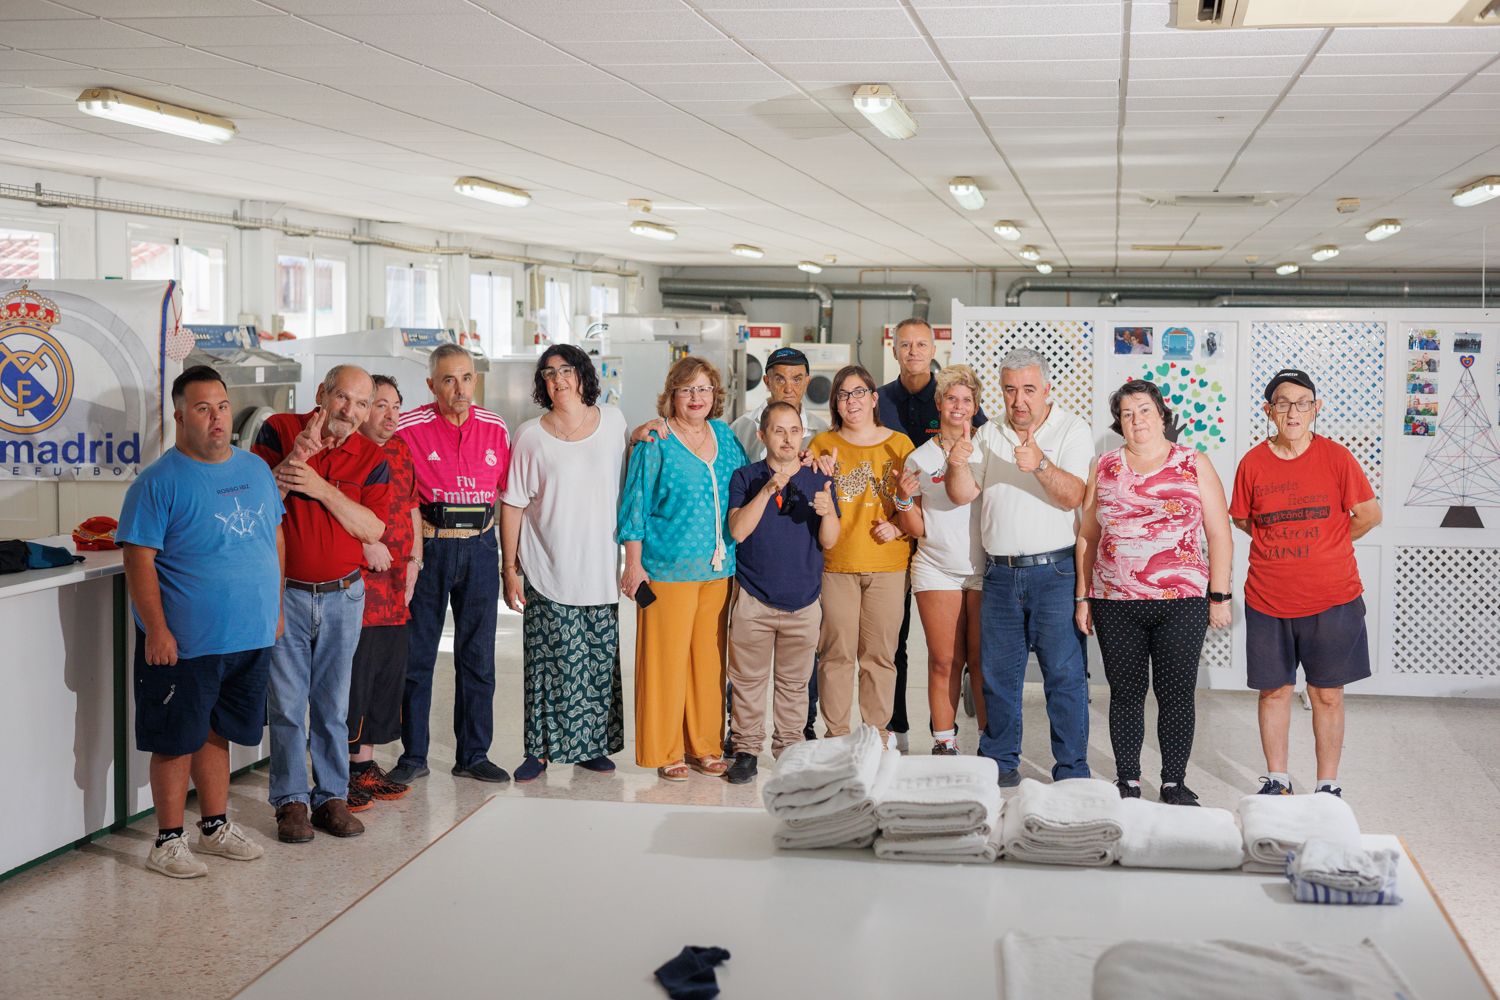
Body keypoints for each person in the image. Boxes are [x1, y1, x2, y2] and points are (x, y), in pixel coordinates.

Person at [117, 365, 283, 878]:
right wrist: (158, 630)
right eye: (203, 408)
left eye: (223, 406)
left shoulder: (255, 470)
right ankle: (167, 840)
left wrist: (275, 609)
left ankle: (213, 827)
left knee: (218, 732)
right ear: (180, 415)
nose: (216, 418)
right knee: (175, 738)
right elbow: (138, 561)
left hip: (248, 635)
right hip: (185, 642)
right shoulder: (157, 483)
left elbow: (274, 539)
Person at [1074, 379, 1234, 805]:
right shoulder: (1103, 466)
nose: (1136, 420)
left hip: (1181, 601)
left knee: (1176, 694)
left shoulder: (1192, 462)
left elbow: (1219, 533)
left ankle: (1172, 782)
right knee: (1125, 694)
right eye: (1127, 414)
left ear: (1161, 415)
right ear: (1119, 424)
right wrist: (1083, 596)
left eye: (1144, 410)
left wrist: (1219, 596)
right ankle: (1127, 780)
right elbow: (1087, 535)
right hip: (1115, 601)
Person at [253, 364, 390, 843]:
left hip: (343, 597)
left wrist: (319, 487)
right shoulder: (280, 429)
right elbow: (253, 504)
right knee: (288, 705)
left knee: (332, 705)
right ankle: (290, 801)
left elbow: (373, 529)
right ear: (321, 394)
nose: (349, 412)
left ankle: (331, 796)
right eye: (341, 399)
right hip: (285, 593)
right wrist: (295, 461)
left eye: (360, 403)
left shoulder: (372, 456)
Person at [945, 347, 1092, 786]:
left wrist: (1040, 464)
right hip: (1000, 573)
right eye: (1010, 390)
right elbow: (962, 493)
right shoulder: (989, 433)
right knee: (998, 677)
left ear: (1047, 389)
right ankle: (1000, 763)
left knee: (1064, 677)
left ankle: (1071, 770)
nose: (1019, 400)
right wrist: (955, 464)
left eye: (1029, 390)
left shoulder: (1072, 428)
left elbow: (1075, 496)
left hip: (1056, 573)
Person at [1230, 368, 1381, 798]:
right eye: (1283, 402)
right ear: (1268, 411)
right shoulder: (1252, 464)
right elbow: (1243, 519)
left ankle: (1327, 784)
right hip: (1267, 599)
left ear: (1316, 409)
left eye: (1302, 403)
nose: (1293, 411)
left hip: (1333, 599)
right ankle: (1277, 779)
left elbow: (1369, 515)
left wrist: (1329, 544)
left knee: (1327, 694)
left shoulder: (1337, 458)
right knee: (1274, 691)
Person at [501, 346, 627, 782]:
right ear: (542, 383)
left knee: (596, 662)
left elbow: (633, 479)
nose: (558, 379)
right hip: (547, 565)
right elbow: (513, 504)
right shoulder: (530, 434)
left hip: (600, 565)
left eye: (566, 370)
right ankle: (538, 751)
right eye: (549, 373)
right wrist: (509, 569)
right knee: (547, 667)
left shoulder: (614, 421)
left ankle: (589, 747)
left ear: (581, 375)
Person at [618, 356, 747, 780]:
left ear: (715, 395)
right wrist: (633, 565)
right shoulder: (655, 440)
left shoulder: (726, 437)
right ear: (671, 394)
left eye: (704, 389)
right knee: (665, 663)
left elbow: (748, 486)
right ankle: (666, 750)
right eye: (687, 389)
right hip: (665, 571)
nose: (697, 397)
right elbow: (634, 505)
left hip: (718, 570)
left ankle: (705, 746)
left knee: (708, 663)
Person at [392, 343, 511, 786]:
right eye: (448, 380)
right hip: (430, 548)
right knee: (418, 655)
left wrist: (510, 563)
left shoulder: (497, 427)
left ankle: (474, 753)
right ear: (431, 385)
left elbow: (508, 493)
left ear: (475, 380)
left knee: (478, 656)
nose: (458, 389)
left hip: (480, 548)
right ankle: (413, 754)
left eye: (465, 378)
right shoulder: (409, 427)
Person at [877, 319, 988, 752]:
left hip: (982, 567)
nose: (958, 407)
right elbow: (918, 528)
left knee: (980, 663)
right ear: (938, 404)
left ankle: (991, 744)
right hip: (936, 567)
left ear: (975, 405)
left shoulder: (989, 447)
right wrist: (903, 503)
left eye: (966, 400)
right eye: (950, 399)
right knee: (945, 659)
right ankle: (944, 740)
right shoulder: (918, 457)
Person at [723, 401, 842, 783]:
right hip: (754, 598)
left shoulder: (817, 478)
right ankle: (745, 748)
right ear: (762, 436)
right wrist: (770, 488)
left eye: (795, 431)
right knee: (747, 681)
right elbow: (738, 531)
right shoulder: (745, 477)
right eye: (778, 430)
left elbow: (831, 540)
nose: (788, 439)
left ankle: (789, 748)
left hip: (803, 602)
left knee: (793, 684)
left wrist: (828, 511)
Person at [809, 365, 915, 746]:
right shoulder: (821, 444)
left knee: (880, 657)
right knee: (835, 655)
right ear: (835, 402)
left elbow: (917, 506)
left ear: (874, 398)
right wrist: (816, 473)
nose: (850, 401)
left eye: (858, 393)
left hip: (888, 566)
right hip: (836, 565)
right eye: (842, 394)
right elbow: (808, 505)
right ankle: (837, 735)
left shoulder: (900, 445)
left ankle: (877, 736)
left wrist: (900, 527)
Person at [345, 374, 421, 807]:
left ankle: (364, 767)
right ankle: (338, 771)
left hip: (395, 590)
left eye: (396, 406)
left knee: (382, 683)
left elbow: (411, 507)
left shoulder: (400, 449)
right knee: (352, 682)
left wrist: (415, 562)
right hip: (358, 589)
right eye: (380, 405)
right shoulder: (348, 453)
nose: (391, 415)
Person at [731, 346, 830, 462]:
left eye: (796, 380)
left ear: (807, 382)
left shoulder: (821, 430)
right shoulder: (741, 428)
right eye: (780, 380)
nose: (788, 389)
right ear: (767, 382)